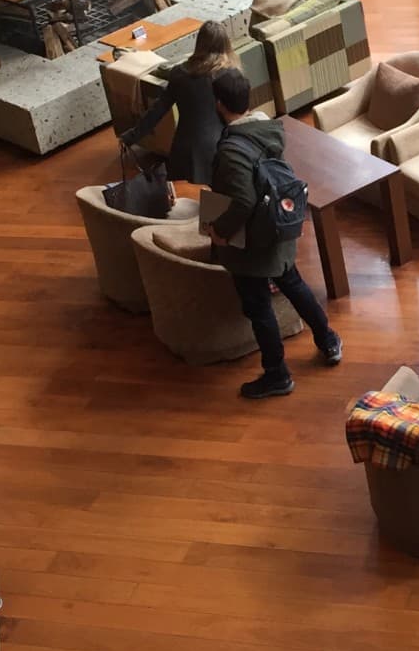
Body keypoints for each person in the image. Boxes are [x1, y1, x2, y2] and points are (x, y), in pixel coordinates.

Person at [205, 66, 340, 399]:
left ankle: (277, 374)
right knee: (292, 282)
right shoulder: (266, 129)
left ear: (220, 103)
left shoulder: (233, 149)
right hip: (279, 225)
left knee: (258, 306)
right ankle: (328, 340)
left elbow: (242, 200)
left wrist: (219, 232)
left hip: (253, 242)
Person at [123, 21, 240, 184]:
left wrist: (132, 136)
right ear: (225, 45)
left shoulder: (179, 73)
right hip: (219, 145)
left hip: (184, 147)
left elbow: (158, 110)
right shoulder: (229, 75)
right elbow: (238, 113)